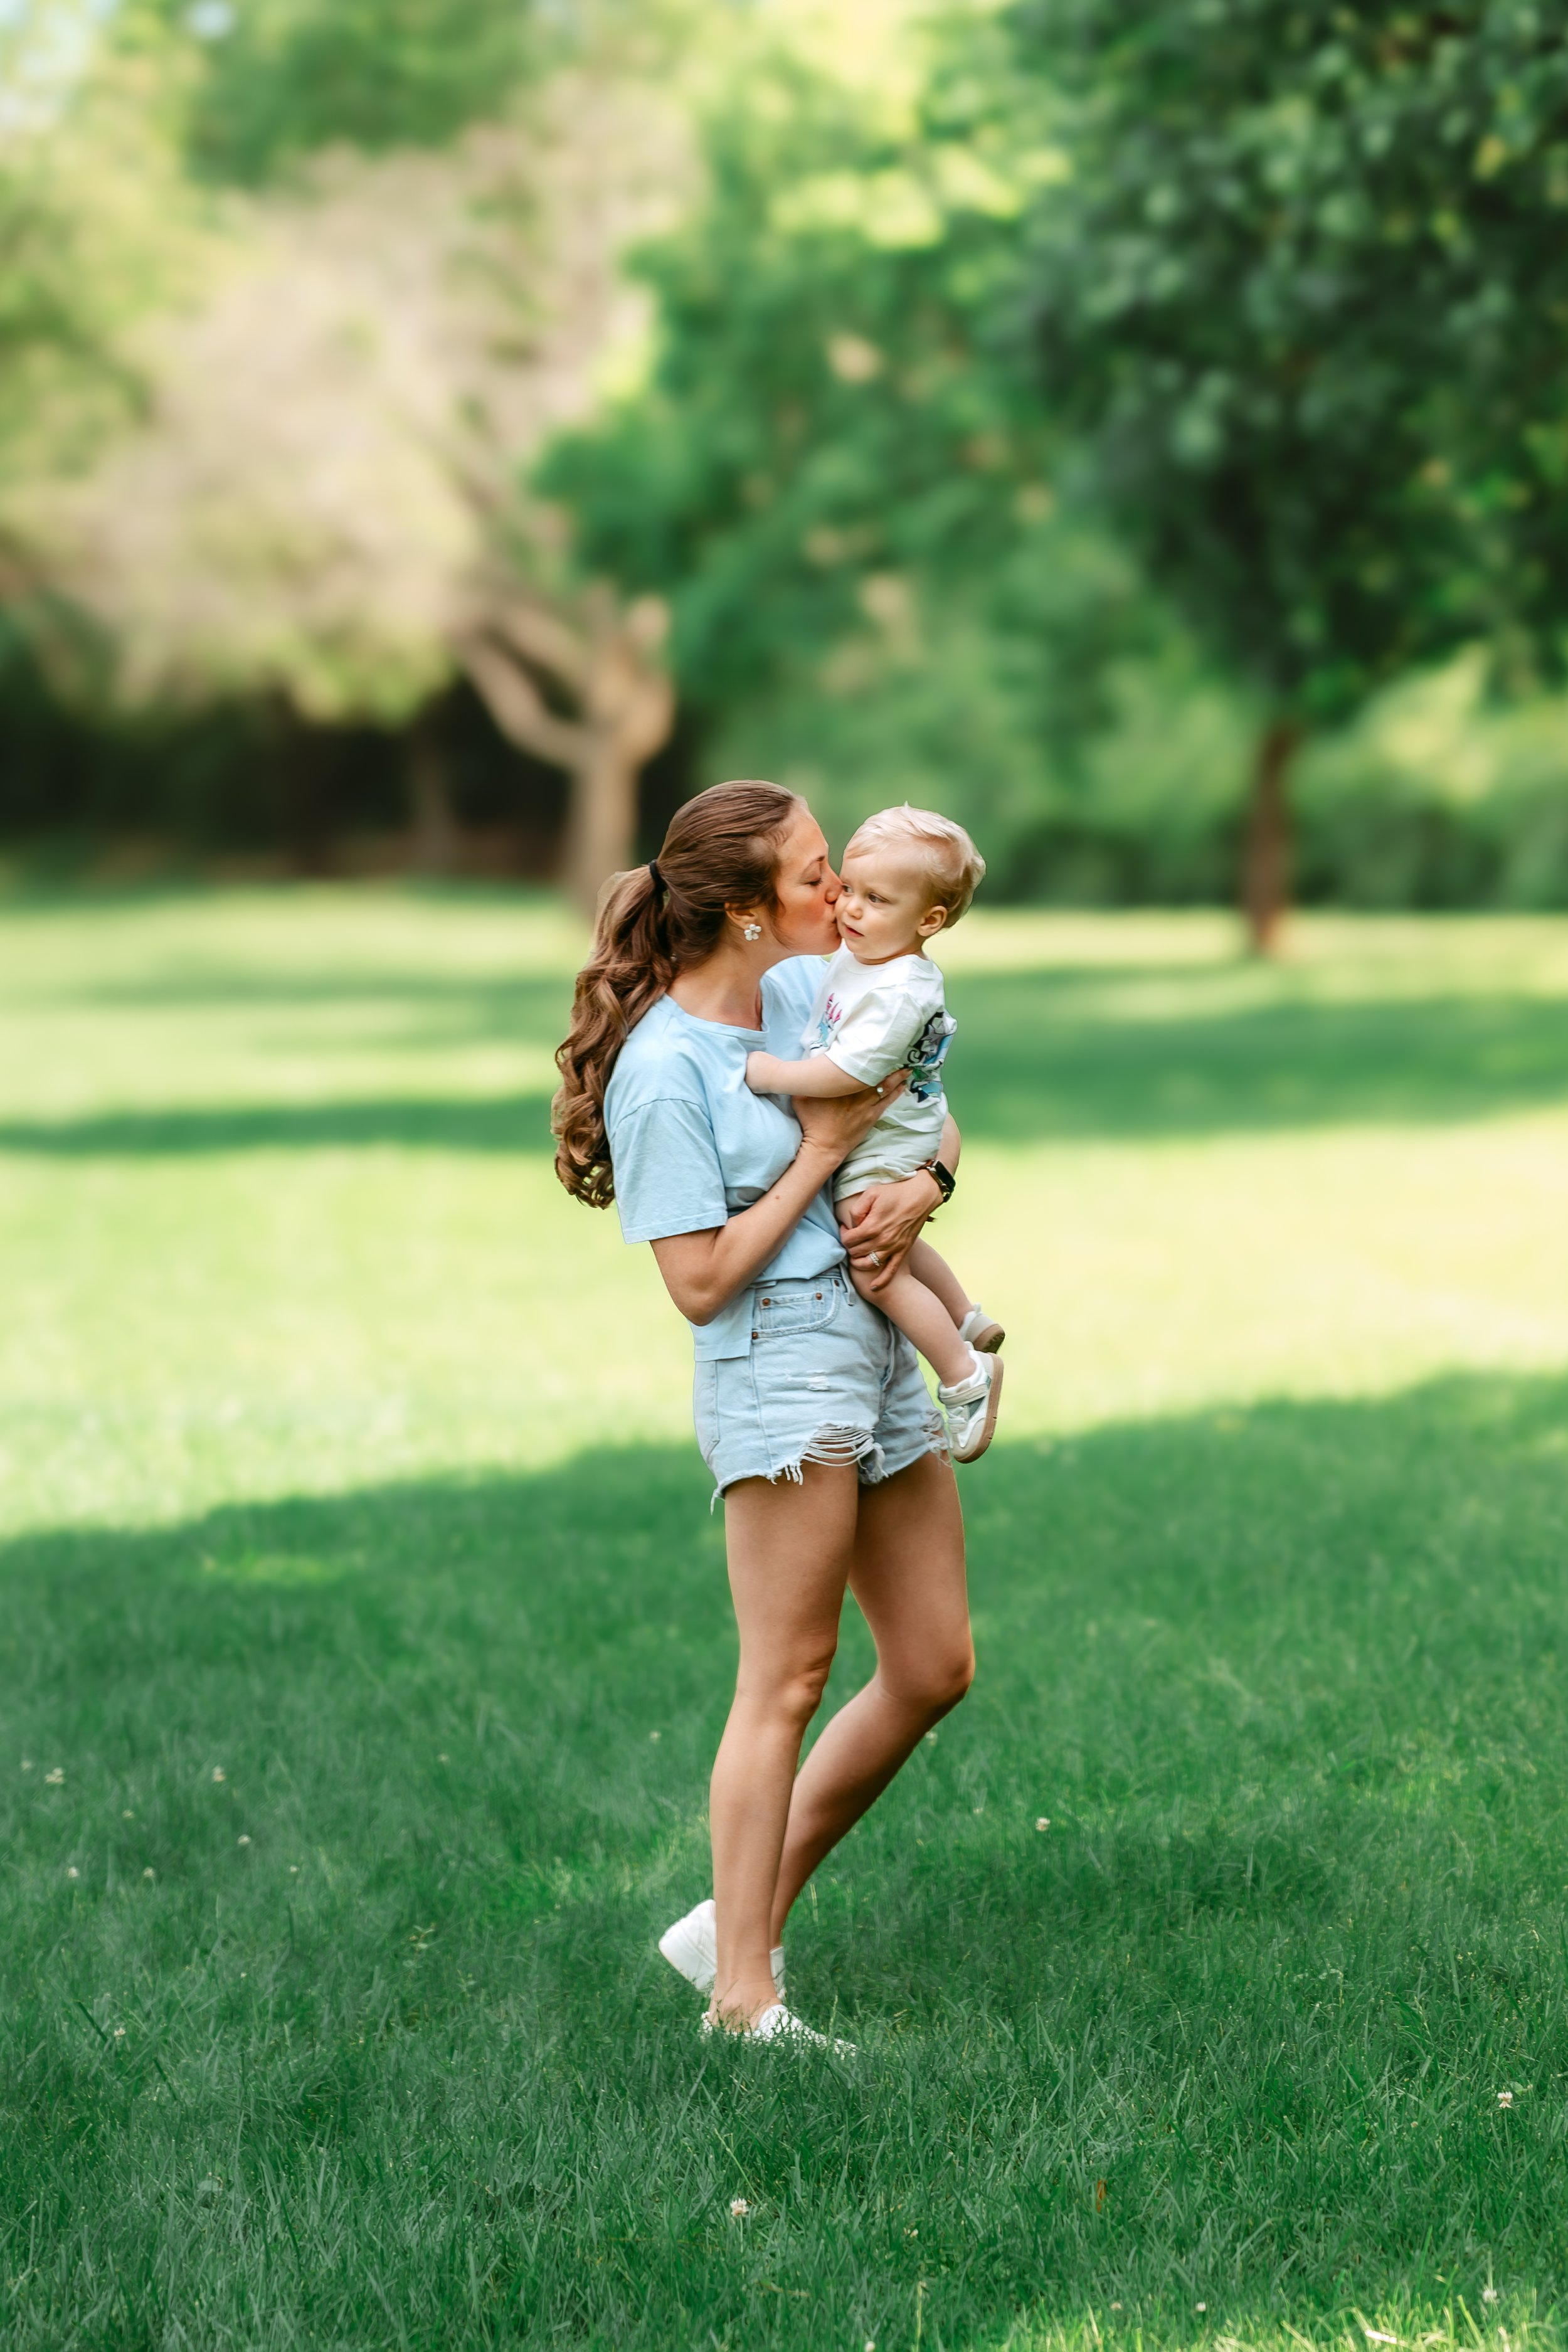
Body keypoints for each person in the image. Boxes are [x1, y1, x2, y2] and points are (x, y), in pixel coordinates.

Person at [553, 779, 975, 2047]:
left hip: (873, 1340)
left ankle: (726, 1924)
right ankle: (743, 1997)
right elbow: (694, 1285)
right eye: (809, 876)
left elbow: (923, 1116)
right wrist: (814, 1156)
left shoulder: (810, 991)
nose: (837, 896)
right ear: (742, 911)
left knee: (932, 1663)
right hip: (776, 1366)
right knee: (786, 1676)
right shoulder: (664, 1072)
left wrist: (928, 1184)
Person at [741, 804, 1004, 1463]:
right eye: (849, 889)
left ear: (929, 921)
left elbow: (849, 1069)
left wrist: (776, 1073)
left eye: (875, 899)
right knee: (899, 1242)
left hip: (886, 1140)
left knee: (875, 1264)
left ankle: (964, 1373)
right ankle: (964, 1314)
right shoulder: (866, 959)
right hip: (896, 1130)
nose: (849, 908)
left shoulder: (900, 989)